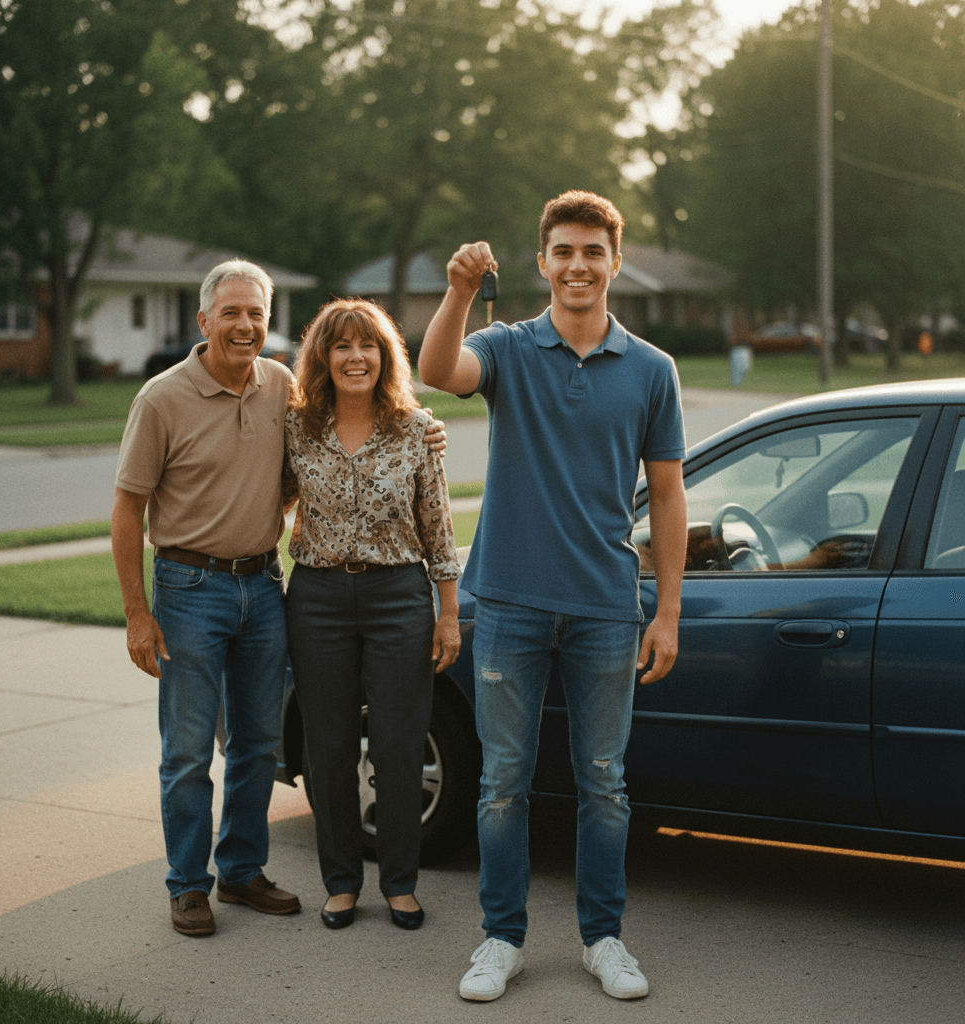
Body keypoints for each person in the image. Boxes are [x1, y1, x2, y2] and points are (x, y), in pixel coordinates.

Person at [111, 259, 448, 937]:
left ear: (269, 323)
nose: (243, 325)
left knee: (262, 745)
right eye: (230, 313)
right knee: (194, 751)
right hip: (200, 588)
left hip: (271, 586)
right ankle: (192, 884)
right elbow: (128, 509)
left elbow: (336, 482)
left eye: (256, 314)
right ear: (203, 320)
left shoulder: (286, 389)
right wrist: (136, 613)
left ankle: (242, 872)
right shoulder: (173, 399)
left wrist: (422, 432)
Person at [418, 191, 688, 1001]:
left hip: (608, 606)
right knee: (503, 781)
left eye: (592, 252)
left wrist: (667, 610)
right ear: (542, 263)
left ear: (614, 263)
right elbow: (437, 371)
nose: (578, 266)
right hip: (507, 602)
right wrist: (461, 289)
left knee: (604, 781)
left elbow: (668, 498)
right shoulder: (505, 347)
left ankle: (604, 938)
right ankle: (500, 938)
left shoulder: (651, 370)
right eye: (563, 252)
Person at [283, 298, 461, 933]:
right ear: (323, 358)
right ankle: (340, 883)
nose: (355, 357)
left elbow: (438, 527)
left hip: (398, 599)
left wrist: (446, 613)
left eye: (368, 346)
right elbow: (265, 494)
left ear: (384, 356)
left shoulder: (415, 430)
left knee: (398, 741)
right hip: (319, 598)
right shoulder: (297, 428)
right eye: (341, 346)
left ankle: (400, 884)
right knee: (326, 743)